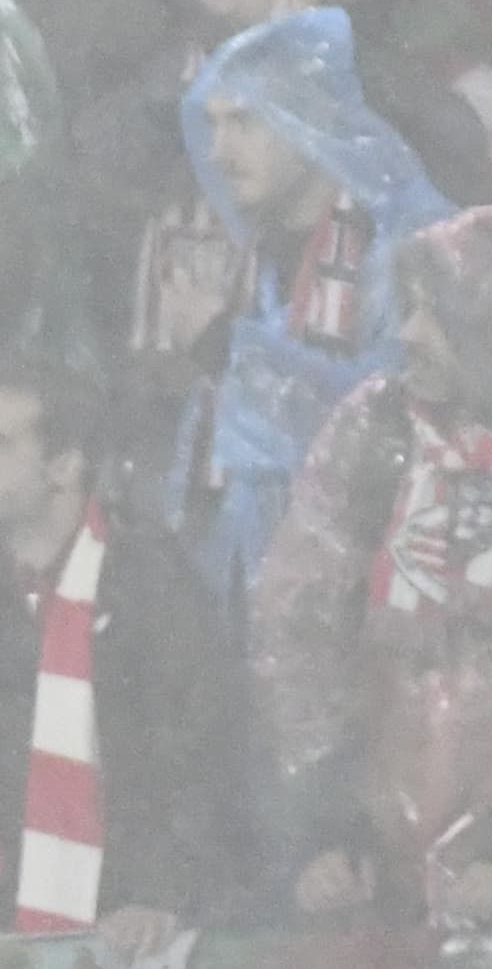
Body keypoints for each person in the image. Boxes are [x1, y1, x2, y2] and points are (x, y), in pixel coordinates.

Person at [248, 203, 492, 929]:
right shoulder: (375, 427)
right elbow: (296, 626)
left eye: (434, 314)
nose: (406, 334)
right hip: (372, 838)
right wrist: (328, 821)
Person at [169, 4, 449, 606]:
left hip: (355, 608)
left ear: (305, 121)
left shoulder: (404, 248)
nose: (218, 152)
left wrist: (227, 350)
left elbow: (391, 431)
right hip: (243, 605)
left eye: (244, 122)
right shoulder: (252, 254)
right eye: (213, 125)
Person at [0, 338, 239, 947]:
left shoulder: (153, 587)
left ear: (63, 465)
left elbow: (204, 755)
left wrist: (159, 894)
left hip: (124, 931)